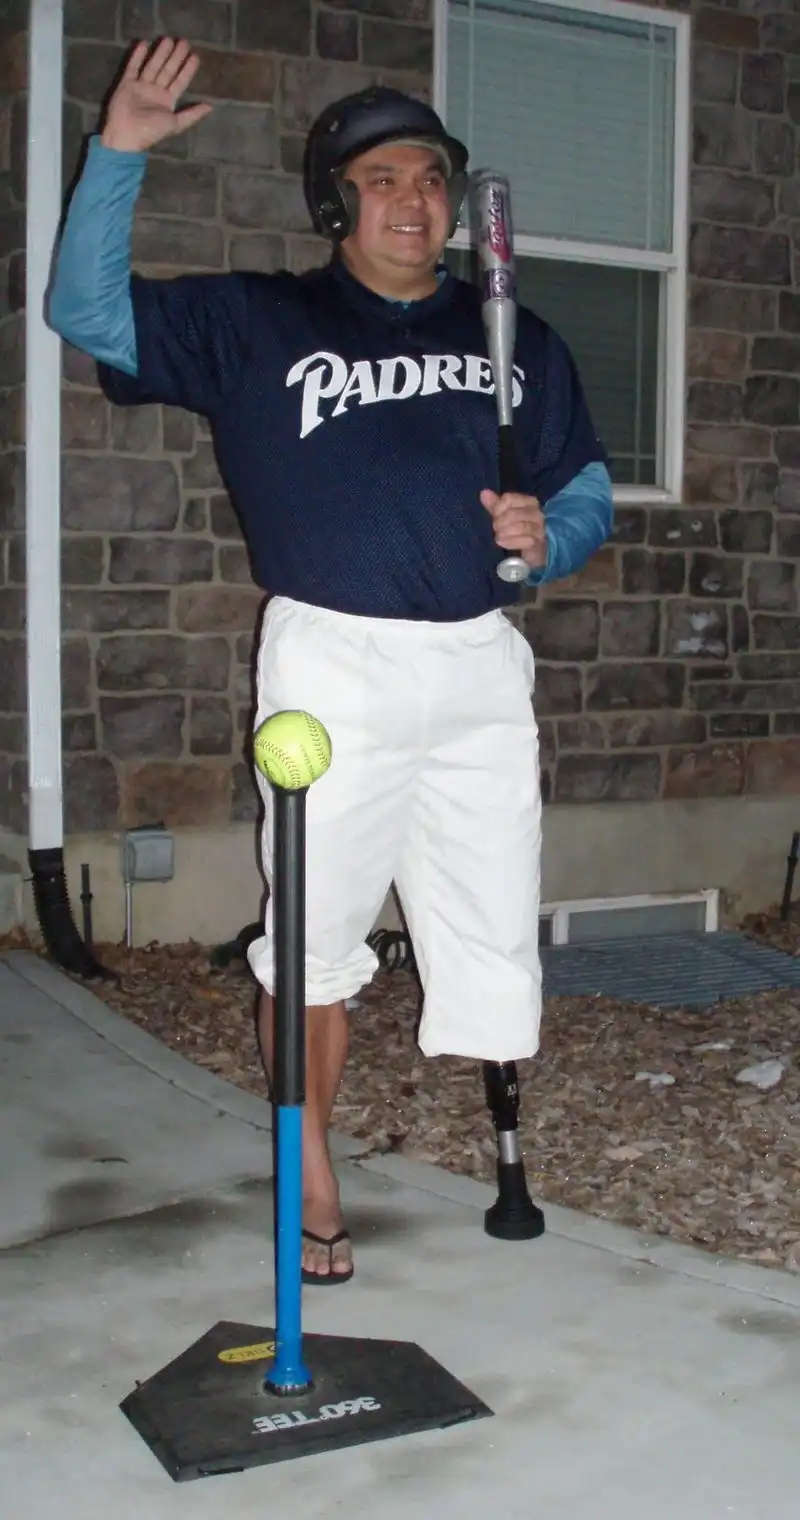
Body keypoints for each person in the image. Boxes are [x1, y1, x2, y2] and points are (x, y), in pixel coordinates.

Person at [48, 38, 614, 1285]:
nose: (414, 199)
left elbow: (579, 481)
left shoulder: (513, 335)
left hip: (477, 665)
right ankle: (308, 1169)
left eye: (432, 178)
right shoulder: (259, 320)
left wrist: (550, 537)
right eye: (381, 178)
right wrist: (120, 153)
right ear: (335, 200)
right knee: (308, 942)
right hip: (334, 667)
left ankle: (496, 1125)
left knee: (491, 934)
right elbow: (87, 314)